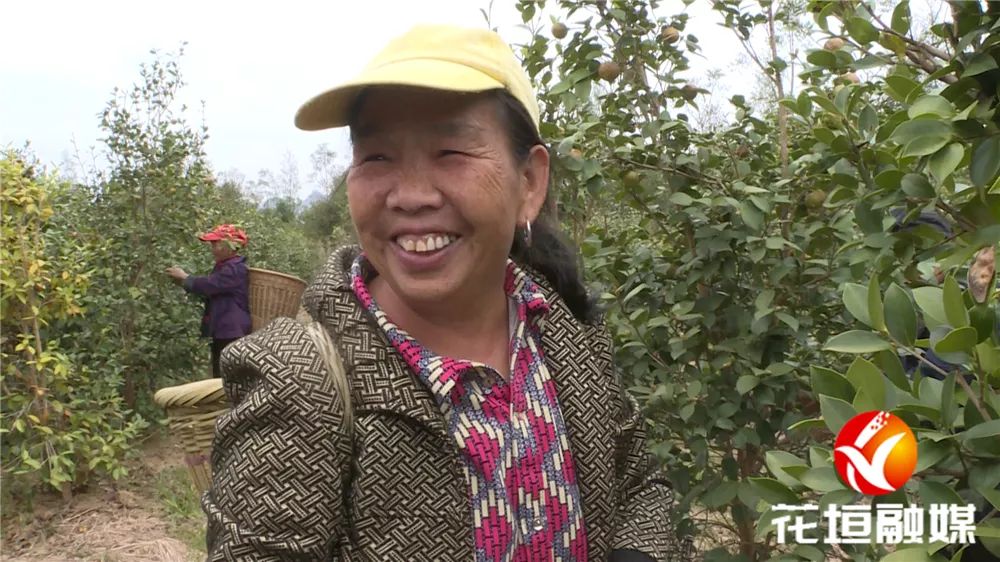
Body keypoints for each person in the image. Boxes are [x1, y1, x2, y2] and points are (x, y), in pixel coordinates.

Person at [202, 25, 692, 561]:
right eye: (377, 157)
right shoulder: (300, 379)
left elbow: (637, 483)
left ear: (529, 181)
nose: (410, 196)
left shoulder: (561, 326)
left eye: (450, 151)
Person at [166, 224, 251, 379]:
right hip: (224, 330)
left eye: (215, 244)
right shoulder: (225, 266)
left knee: (228, 377)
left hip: (231, 332)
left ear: (230, 246)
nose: (212, 248)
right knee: (222, 374)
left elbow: (211, 285)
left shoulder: (235, 269)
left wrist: (186, 278)